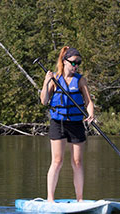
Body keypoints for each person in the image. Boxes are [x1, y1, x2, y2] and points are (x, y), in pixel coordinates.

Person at [40, 45, 95, 202]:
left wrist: (91, 113)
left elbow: (89, 102)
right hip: (58, 123)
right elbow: (44, 101)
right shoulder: (55, 79)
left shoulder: (80, 80)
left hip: (76, 124)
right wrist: (45, 82)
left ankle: (80, 199)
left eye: (78, 63)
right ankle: (50, 199)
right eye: (73, 62)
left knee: (77, 162)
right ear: (64, 61)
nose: (76, 66)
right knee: (57, 161)